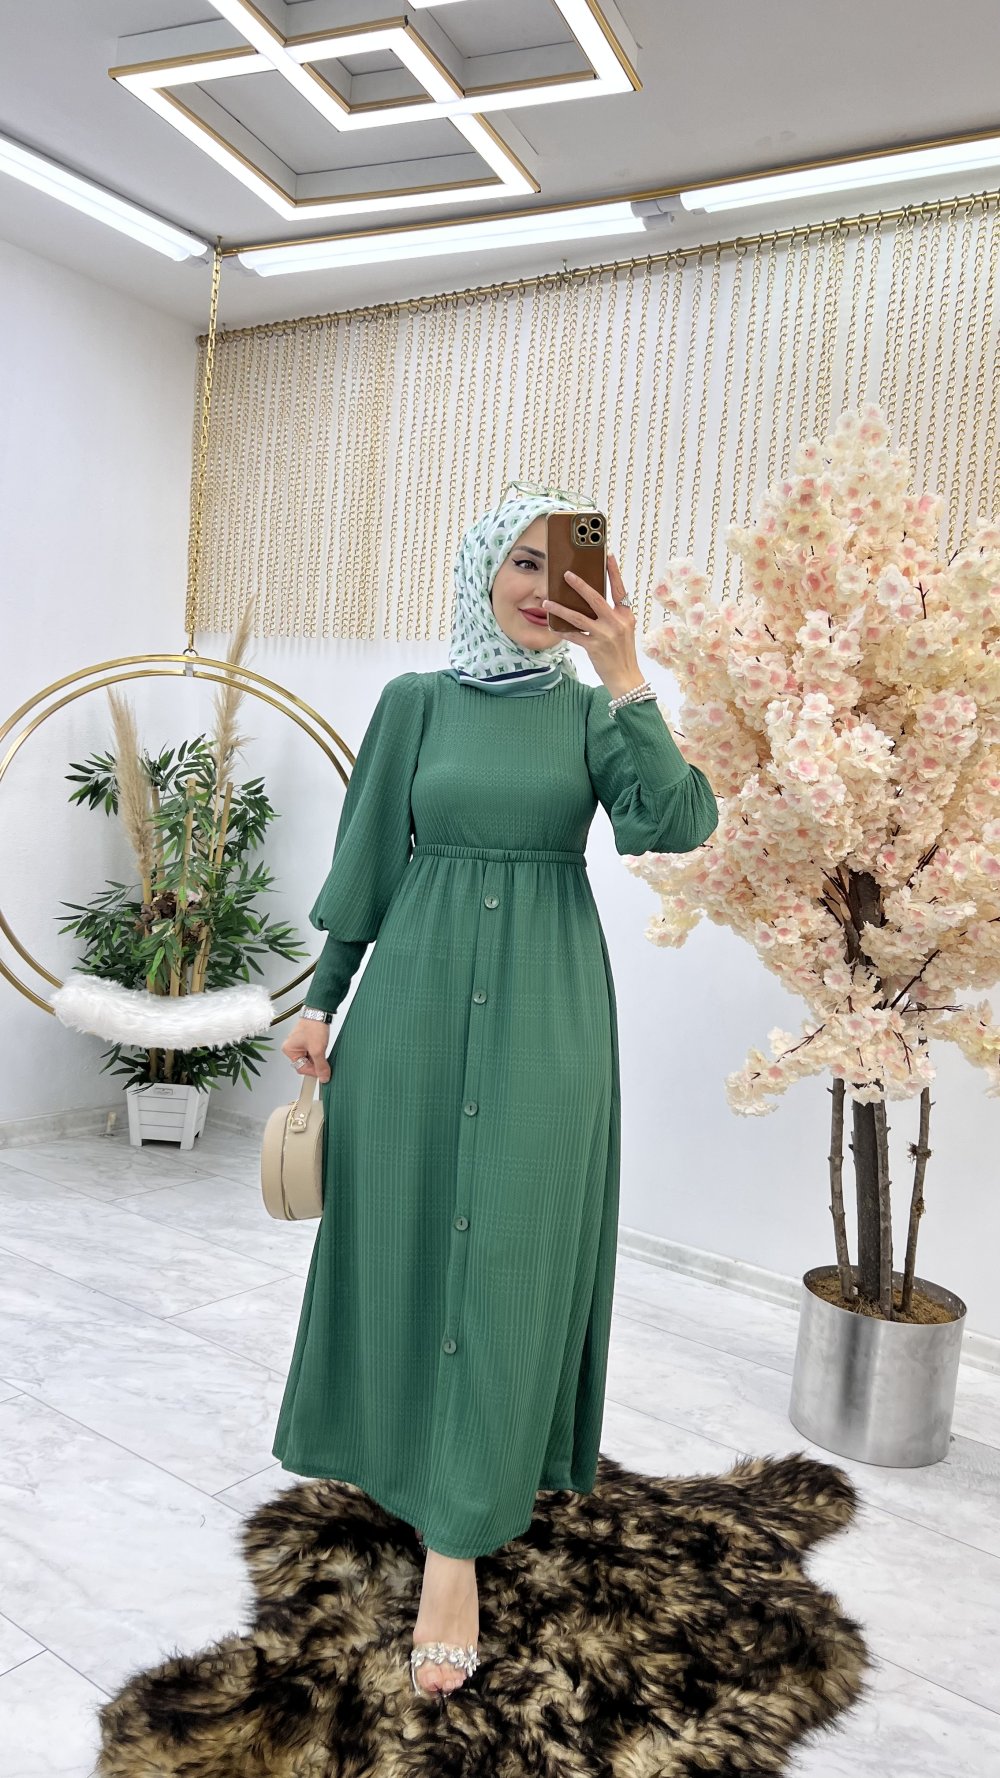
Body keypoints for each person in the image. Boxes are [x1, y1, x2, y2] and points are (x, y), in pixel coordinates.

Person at [275, 485, 719, 1698]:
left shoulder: (588, 712)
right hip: (411, 1009)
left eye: (560, 566)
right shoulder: (415, 702)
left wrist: (627, 677)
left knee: (514, 1250)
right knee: (406, 1233)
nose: (538, 585)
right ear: (482, 571)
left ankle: (457, 1545)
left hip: (545, 1011)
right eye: (519, 561)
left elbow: (673, 824)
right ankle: (403, 1458)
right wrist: (321, 1000)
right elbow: (368, 859)